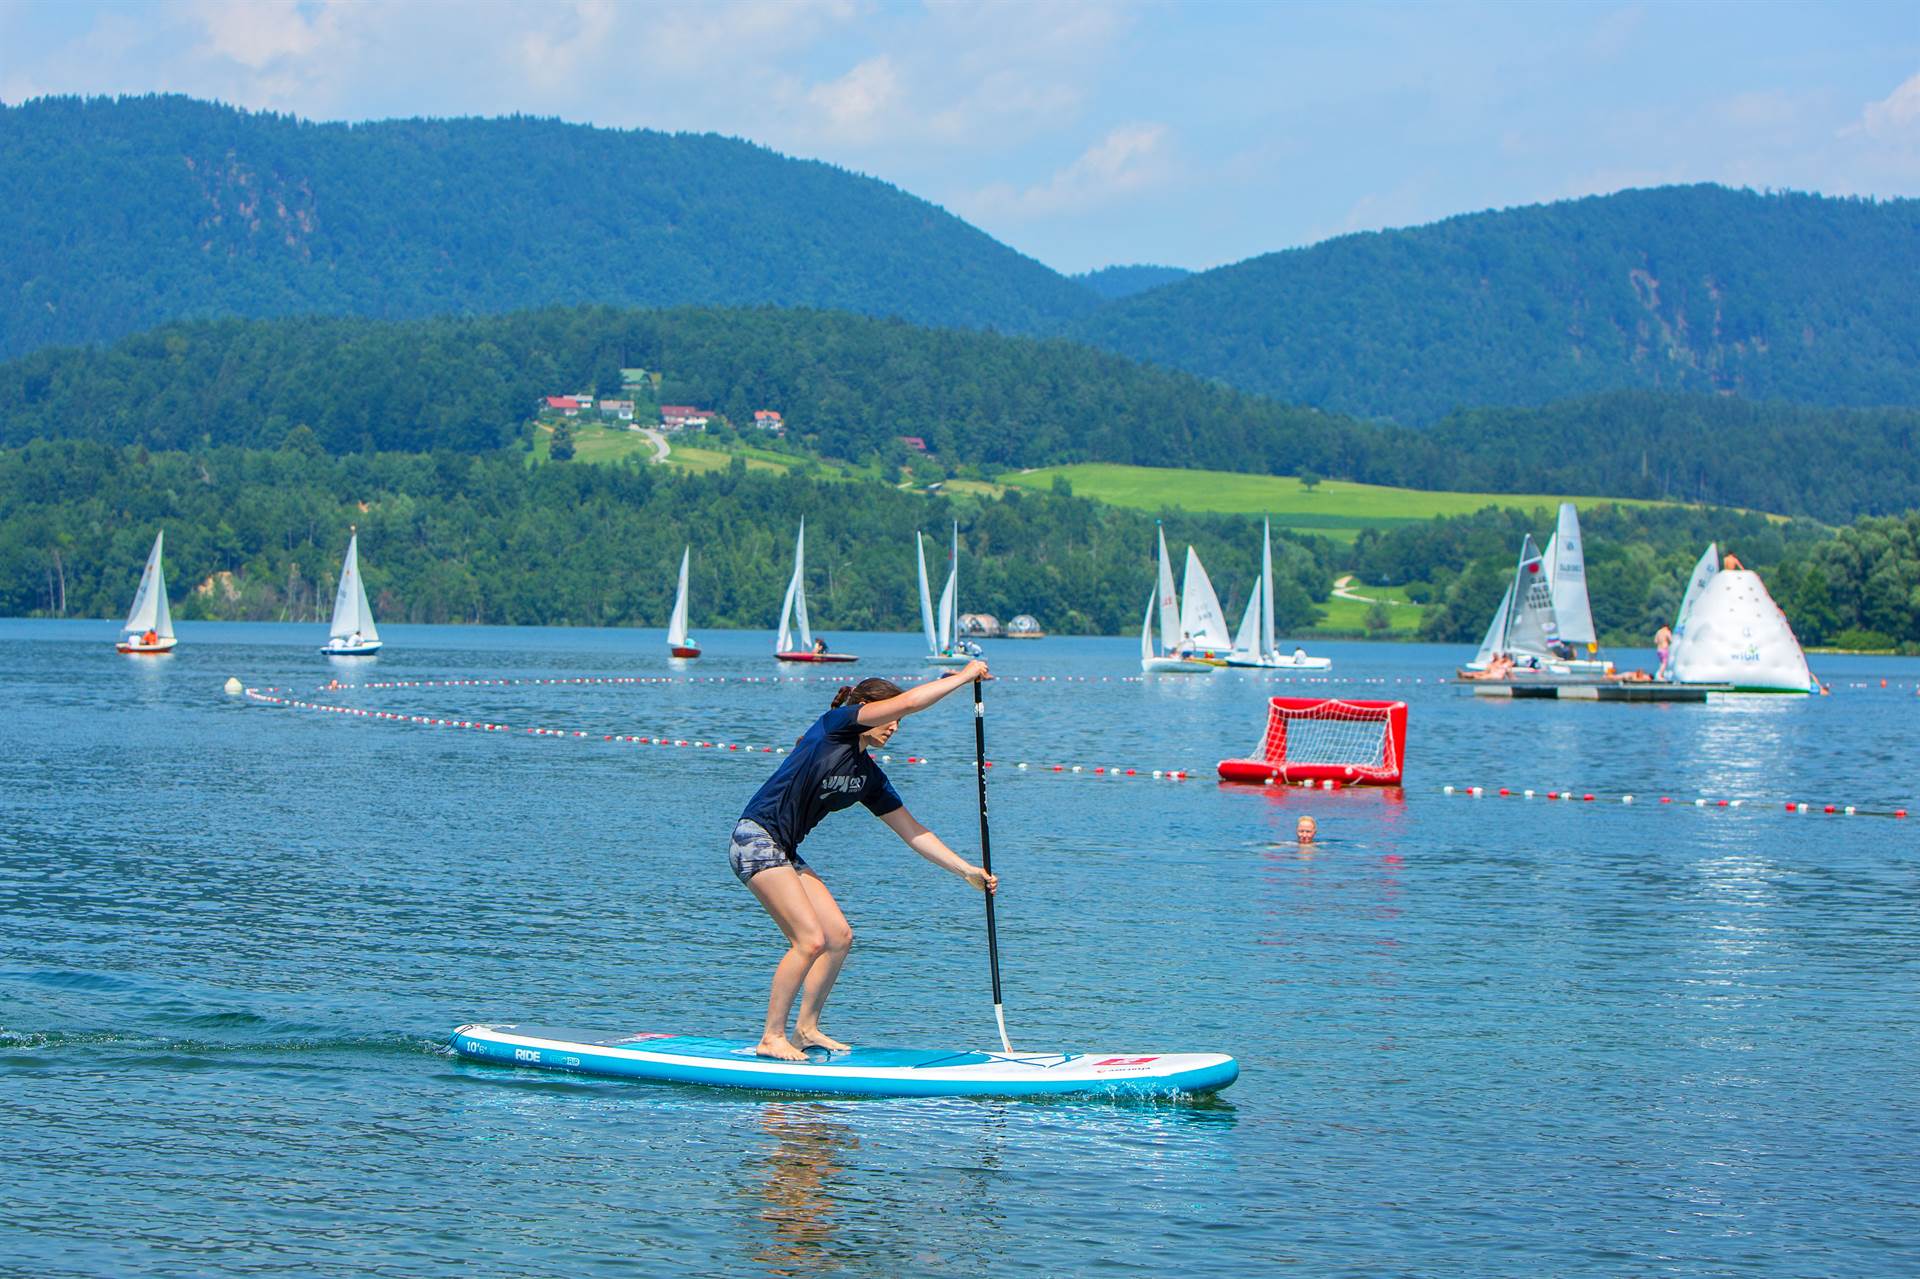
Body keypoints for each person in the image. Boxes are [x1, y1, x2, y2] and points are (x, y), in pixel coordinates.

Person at [730, 663, 998, 1062]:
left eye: (898, 721)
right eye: (888, 716)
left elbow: (913, 831)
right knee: (809, 940)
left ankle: (804, 1030)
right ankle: (771, 1037)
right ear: (864, 709)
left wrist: (967, 872)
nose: (893, 725)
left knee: (838, 937)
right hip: (755, 839)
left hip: (785, 851)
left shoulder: (867, 776)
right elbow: (909, 701)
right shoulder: (834, 727)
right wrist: (962, 677)